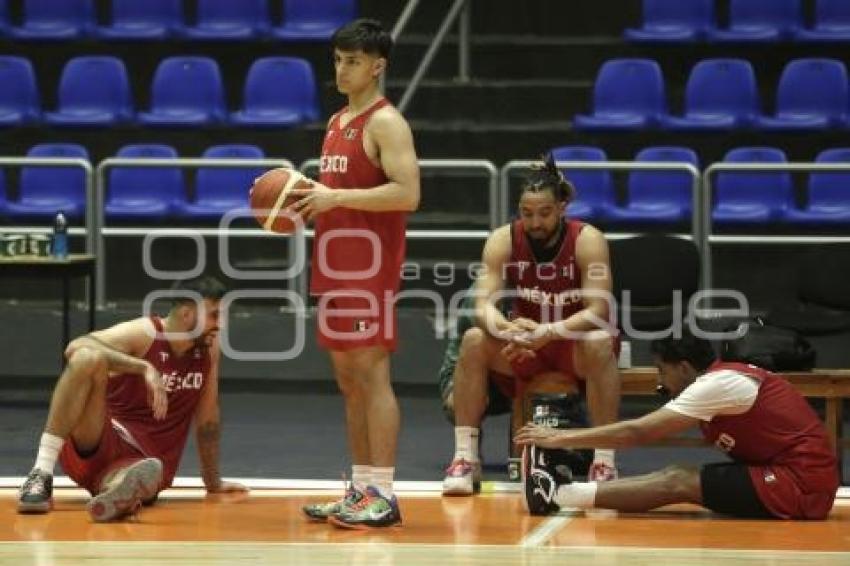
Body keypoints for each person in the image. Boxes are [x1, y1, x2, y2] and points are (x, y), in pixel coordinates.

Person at [288, 18, 420, 529]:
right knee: (348, 382)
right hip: (334, 262)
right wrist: (304, 204)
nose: (342, 69)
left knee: (372, 374)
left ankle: (383, 493)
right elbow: (334, 197)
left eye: (354, 61)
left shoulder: (386, 123)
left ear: (378, 66)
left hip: (369, 267)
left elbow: (408, 194)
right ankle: (360, 488)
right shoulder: (337, 121)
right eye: (338, 59)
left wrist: (336, 196)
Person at [516, 328, 839, 520]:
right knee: (674, 475)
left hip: (800, 486)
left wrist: (559, 438)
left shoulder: (718, 384)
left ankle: (558, 494)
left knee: (677, 481)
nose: (660, 382)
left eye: (662, 371)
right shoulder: (721, 380)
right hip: (788, 476)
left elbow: (637, 432)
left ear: (684, 368)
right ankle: (564, 491)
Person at [442, 156, 621, 495]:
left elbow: (597, 309)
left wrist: (549, 332)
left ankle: (604, 460)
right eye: (527, 213)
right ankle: (465, 459)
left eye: (544, 213)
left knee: (599, 339)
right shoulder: (502, 239)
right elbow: (482, 304)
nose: (535, 222)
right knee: (474, 339)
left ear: (563, 206)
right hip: (526, 343)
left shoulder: (587, 239)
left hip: (573, 344)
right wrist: (507, 330)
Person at [17, 276, 247, 521]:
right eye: (214, 315)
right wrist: (143, 367)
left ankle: (115, 495)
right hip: (100, 440)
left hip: (145, 464)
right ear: (188, 314)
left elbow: (208, 418)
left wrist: (212, 481)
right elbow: (75, 347)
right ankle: (41, 473)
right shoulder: (146, 333)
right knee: (86, 358)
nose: (220, 324)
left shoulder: (209, 349)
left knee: (140, 473)